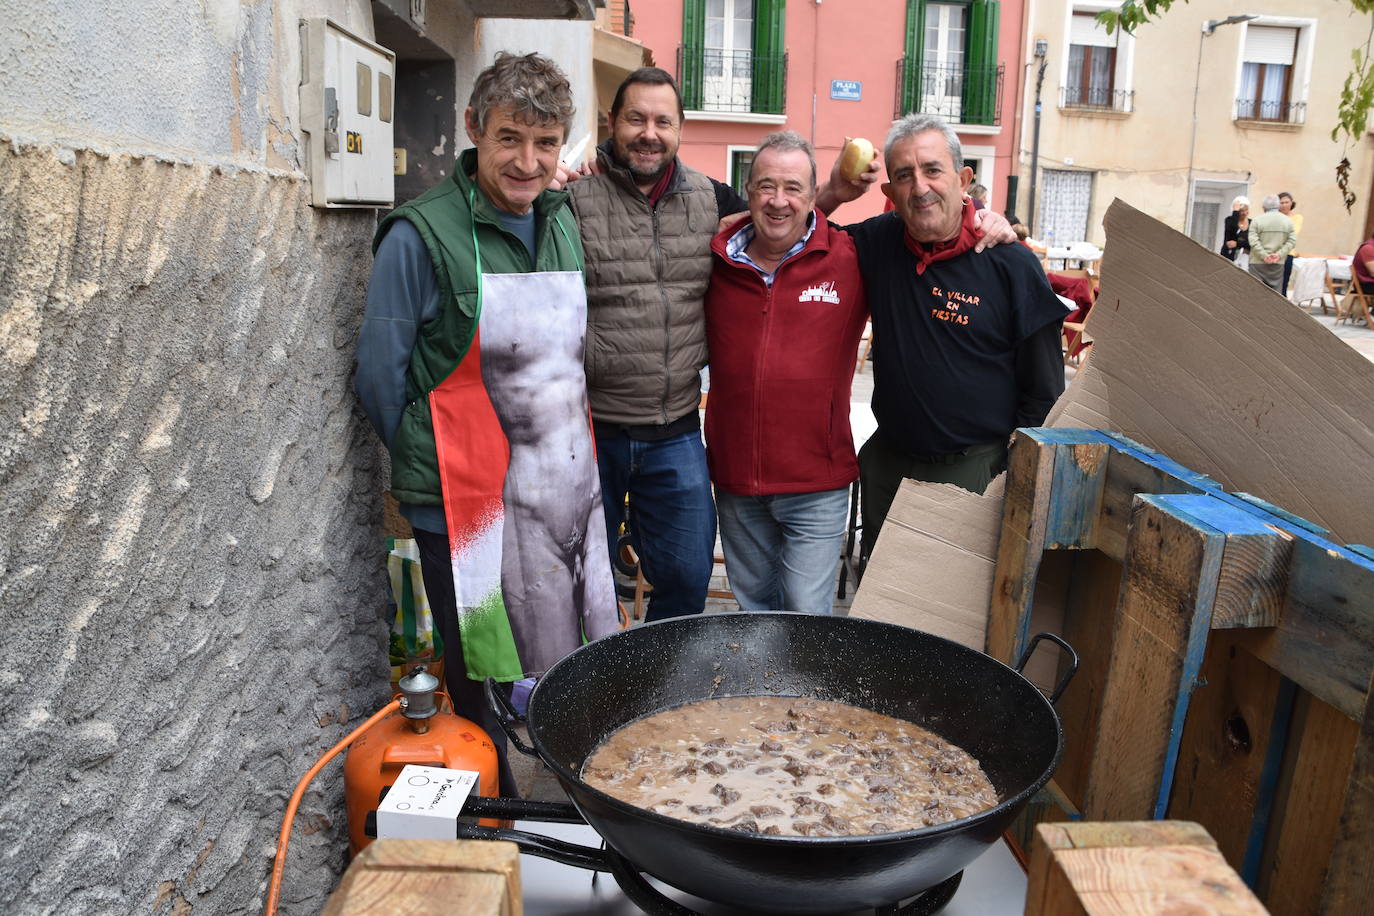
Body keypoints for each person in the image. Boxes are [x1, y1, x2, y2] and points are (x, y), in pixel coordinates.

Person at [355, 52, 619, 794]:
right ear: (474, 129)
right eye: (509, 138)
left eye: (545, 143)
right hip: (462, 500)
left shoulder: (560, 221)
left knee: (563, 650)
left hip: (561, 487)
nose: (527, 162)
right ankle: (501, 813)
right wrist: (439, 469)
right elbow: (380, 377)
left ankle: (574, 796)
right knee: (481, 672)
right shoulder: (419, 236)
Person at [566, 69, 874, 621]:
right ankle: (602, 693)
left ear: (680, 129)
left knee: (687, 581)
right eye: (636, 118)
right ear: (612, 123)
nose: (649, 133)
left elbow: (784, 215)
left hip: (677, 433)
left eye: (663, 121)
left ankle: (667, 692)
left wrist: (980, 220)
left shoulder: (710, 200)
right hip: (593, 432)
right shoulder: (574, 200)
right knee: (579, 582)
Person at [840, 114, 1064, 564]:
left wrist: (1012, 480)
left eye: (932, 170)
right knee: (883, 610)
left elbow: (1045, 395)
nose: (919, 187)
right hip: (890, 466)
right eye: (903, 176)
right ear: (889, 194)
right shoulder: (879, 243)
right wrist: (834, 192)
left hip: (974, 472)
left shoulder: (1011, 264)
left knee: (953, 613)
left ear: (963, 179)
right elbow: (797, 238)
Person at [703, 131, 868, 613]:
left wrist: (983, 221)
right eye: (766, 186)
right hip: (736, 481)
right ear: (748, 193)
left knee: (804, 618)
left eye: (793, 188)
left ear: (814, 196)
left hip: (816, 483)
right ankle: (762, 693)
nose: (779, 201)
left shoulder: (851, 257)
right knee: (753, 611)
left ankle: (800, 693)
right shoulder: (713, 261)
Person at [1247, 194, 1296, 291]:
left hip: (1257, 263)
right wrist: (1278, 255)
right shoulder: (1288, 221)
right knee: (1275, 294)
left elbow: (1253, 241)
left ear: (1264, 207)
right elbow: (1292, 241)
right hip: (1278, 263)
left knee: (1255, 293)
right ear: (1278, 206)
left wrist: (1264, 255)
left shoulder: (1256, 221)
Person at [1278, 191, 1302, 295]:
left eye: (1286, 202)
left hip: (1288, 253)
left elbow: (1293, 233)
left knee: (1284, 282)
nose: (1284, 205)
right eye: (1281, 203)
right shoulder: (1274, 216)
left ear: (1291, 203)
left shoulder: (1297, 218)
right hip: (1273, 252)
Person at [1221, 196, 1251, 267]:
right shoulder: (1229, 220)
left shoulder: (1252, 223)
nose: (1244, 213)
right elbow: (1231, 234)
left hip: (1245, 259)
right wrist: (1235, 212)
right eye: (1241, 211)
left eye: (1246, 210)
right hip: (1229, 256)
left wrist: (1238, 243)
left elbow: (1252, 243)